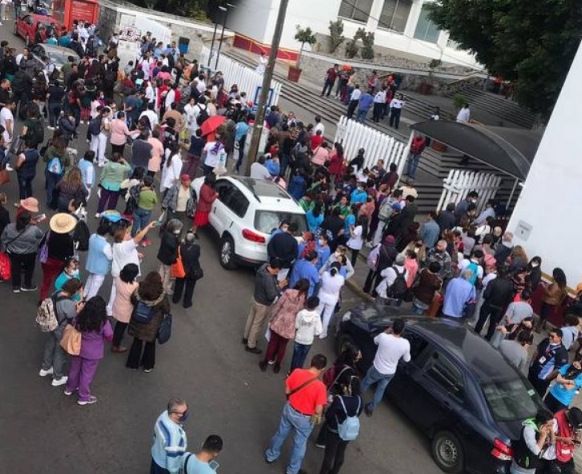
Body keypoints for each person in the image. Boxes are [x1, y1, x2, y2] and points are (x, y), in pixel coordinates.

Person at [265, 354, 328, 474]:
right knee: (299, 444)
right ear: (322, 369)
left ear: (311, 363)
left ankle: (271, 455)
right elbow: (318, 409)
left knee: (280, 433)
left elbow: (287, 389)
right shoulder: (320, 387)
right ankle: (292, 470)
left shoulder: (297, 372)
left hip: (290, 409)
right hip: (305, 419)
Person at [64, 296, 113, 405]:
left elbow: (73, 323)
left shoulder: (80, 317)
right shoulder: (103, 322)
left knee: (74, 369)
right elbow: (109, 336)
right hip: (93, 353)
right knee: (86, 374)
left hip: (77, 348)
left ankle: (69, 388)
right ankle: (83, 397)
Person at [39, 278, 84, 387]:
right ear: (74, 290)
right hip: (61, 329)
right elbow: (73, 318)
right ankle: (57, 377)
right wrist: (78, 308)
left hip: (52, 325)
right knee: (60, 352)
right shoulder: (68, 303)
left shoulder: (57, 293)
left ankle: (45, 368)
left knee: (50, 345)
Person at [361, 318, 411, 417]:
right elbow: (407, 359)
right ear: (402, 330)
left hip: (377, 369)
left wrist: (386, 331)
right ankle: (371, 408)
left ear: (392, 327)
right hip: (390, 373)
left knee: (366, 382)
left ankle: (356, 398)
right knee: (380, 390)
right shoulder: (405, 343)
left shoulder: (383, 337)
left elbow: (375, 341)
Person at [107, 222, 156, 316]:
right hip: (127, 274)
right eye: (126, 233)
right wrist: (148, 227)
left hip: (118, 272)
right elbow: (138, 238)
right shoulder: (125, 246)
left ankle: (110, 308)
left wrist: (136, 253)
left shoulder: (118, 244)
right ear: (122, 237)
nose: (129, 233)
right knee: (126, 293)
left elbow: (129, 249)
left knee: (115, 290)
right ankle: (121, 310)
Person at [260, 279, 309, 374]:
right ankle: (277, 365)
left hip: (279, 319)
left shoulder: (288, 292)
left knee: (273, 342)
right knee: (283, 346)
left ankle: (266, 362)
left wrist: (271, 317)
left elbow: (278, 305)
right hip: (290, 324)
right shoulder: (304, 299)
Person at [126, 272, 171, 372]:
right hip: (152, 325)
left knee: (137, 342)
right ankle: (147, 365)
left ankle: (133, 363)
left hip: (138, 320)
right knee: (150, 344)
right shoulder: (161, 294)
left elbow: (133, 299)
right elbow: (167, 309)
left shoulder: (140, 289)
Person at [318, 377, 363, 474]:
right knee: (340, 452)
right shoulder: (359, 399)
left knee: (329, 454)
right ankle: (334, 471)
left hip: (335, 431)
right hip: (348, 431)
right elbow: (358, 412)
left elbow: (329, 414)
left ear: (349, 388)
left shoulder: (339, 400)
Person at [243, 258, 284, 354]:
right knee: (257, 325)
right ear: (276, 268)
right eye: (278, 270)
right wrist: (279, 287)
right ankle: (251, 344)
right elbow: (271, 295)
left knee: (251, 319)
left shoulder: (262, 268)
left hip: (255, 298)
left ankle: (246, 337)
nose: (278, 272)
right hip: (263, 304)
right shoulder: (268, 278)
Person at [39, 213, 76, 302]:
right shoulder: (69, 239)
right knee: (59, 279)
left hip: (47, 260)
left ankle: (42, 299)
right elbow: (70, 253)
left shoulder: (49, 234)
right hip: (60, 262)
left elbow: (40, 244)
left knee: (46, 280)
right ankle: (58, 299)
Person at [511, 409, 555, 474]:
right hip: (521, 469)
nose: (551, 427)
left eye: (552, 424)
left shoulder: (544, 429)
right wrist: (543, 437)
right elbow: (536, 451)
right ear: (540, 424)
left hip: (532, 466)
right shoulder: (529, 430)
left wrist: (551, 431)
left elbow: (553, 442)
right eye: (548, 425)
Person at [475, 266, 514, 339]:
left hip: (488, 304)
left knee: (481, 320)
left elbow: (486, 295)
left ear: (498, 273)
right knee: (493, 324)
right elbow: (508, 300)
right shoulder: (510, 285)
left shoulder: (493, 282)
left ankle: (476, 332)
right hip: (499, 307)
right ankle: (488, 337)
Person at [151, 398, 188, 474]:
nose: (186, 414)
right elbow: (172, 462)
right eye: (183, 412)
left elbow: (155, 435)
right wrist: (175, 472)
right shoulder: (174, 436)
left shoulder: (164, 415)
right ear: (174, 414)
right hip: (164, 468)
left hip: (156, 455)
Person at [528, 329, 569, 397]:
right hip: (533, 370)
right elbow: (537, 350)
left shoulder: (562, 352)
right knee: (527, 387)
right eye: (549, 335)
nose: (550, 337)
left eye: (552, 336)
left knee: (536, 395)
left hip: (542, 378)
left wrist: (548, 378)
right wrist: (531, 363)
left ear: (559, 338)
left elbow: (559, 369)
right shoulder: (546, 341)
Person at [111, 263, 140, 353]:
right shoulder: (135, 286)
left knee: (119, 324)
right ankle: (116, 345)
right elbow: (136, 298)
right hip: (126, 310)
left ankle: (116, 337)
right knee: (121, 327)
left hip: (117, 304)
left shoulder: (118, 279)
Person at [290, 296, 323, 372]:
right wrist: (312, 332)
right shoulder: (316, 317)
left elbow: (296, 326)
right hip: (308, 340)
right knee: (302, 358)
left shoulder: (300, 313)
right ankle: (298, 373)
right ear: (316, 306)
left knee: (295, 357)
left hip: (299, 339)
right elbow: (319, 331)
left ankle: (291, 372)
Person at [95, 152, 131, 218]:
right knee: (113, 201)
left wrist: (101, 182)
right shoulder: (121, 167)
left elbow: (102, 175)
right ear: (119, 159)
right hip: (116, 187)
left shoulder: (107, 165)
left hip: (106, 185)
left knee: (103, 200)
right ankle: (109, 213)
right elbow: (129, 168)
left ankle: (98, 212)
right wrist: (123, 160)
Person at [84, 222, 113, 300]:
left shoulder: (93, 236)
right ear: (107, 233)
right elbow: (110, 257)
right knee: (95, 287)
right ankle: (88, 301)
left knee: (90, 279)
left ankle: (84, 294)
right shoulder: (106, 245)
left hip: (91, 264)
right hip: (100, 269)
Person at [318, 263, 346, 339]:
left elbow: (321, 281)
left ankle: (314, 329)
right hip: (332, 299)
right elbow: (340, 288)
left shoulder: (325, 274)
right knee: (327, 316)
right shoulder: (341, 278)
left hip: (322, 296)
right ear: (339, 270)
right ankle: (323, 333)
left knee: (317, 313)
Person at [537, 268, 568, 332]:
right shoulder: (563, 285)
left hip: (547, 301)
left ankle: (538, 328)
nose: (553, 276)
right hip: (554, 302)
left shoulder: (556, 284)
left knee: (543, 315)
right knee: (546, 314)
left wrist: (545, 286)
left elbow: (550, 294)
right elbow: (564, 294)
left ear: (556, 275)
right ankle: (543, 325)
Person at [157, 218, 182, 295]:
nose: (179, 230)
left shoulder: (166, 233)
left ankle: (158, 284)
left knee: (162, 270)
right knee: (168, 274)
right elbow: (175, 248)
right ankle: (164, 289)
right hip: (168, 260)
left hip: (162, 256)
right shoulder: (173, 239)